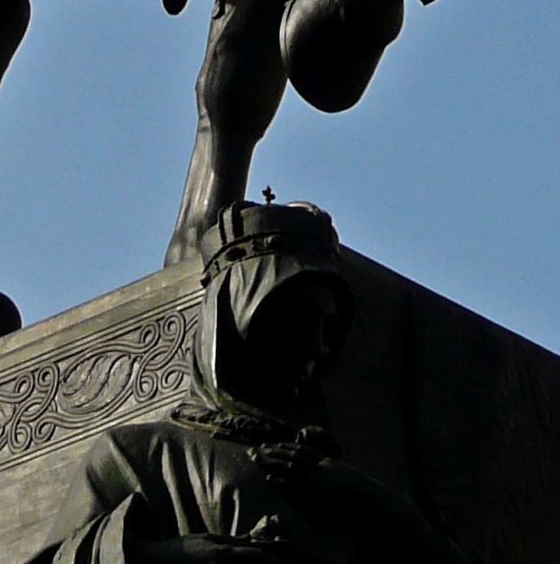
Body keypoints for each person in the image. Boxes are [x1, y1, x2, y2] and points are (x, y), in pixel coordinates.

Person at [30, 202, 472, 564]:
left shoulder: (329, 475)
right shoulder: (140, 454)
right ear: (234, 315)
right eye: (298, 316)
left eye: (329, 327)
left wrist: (365, 497)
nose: (317, 345)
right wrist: (183, 558)